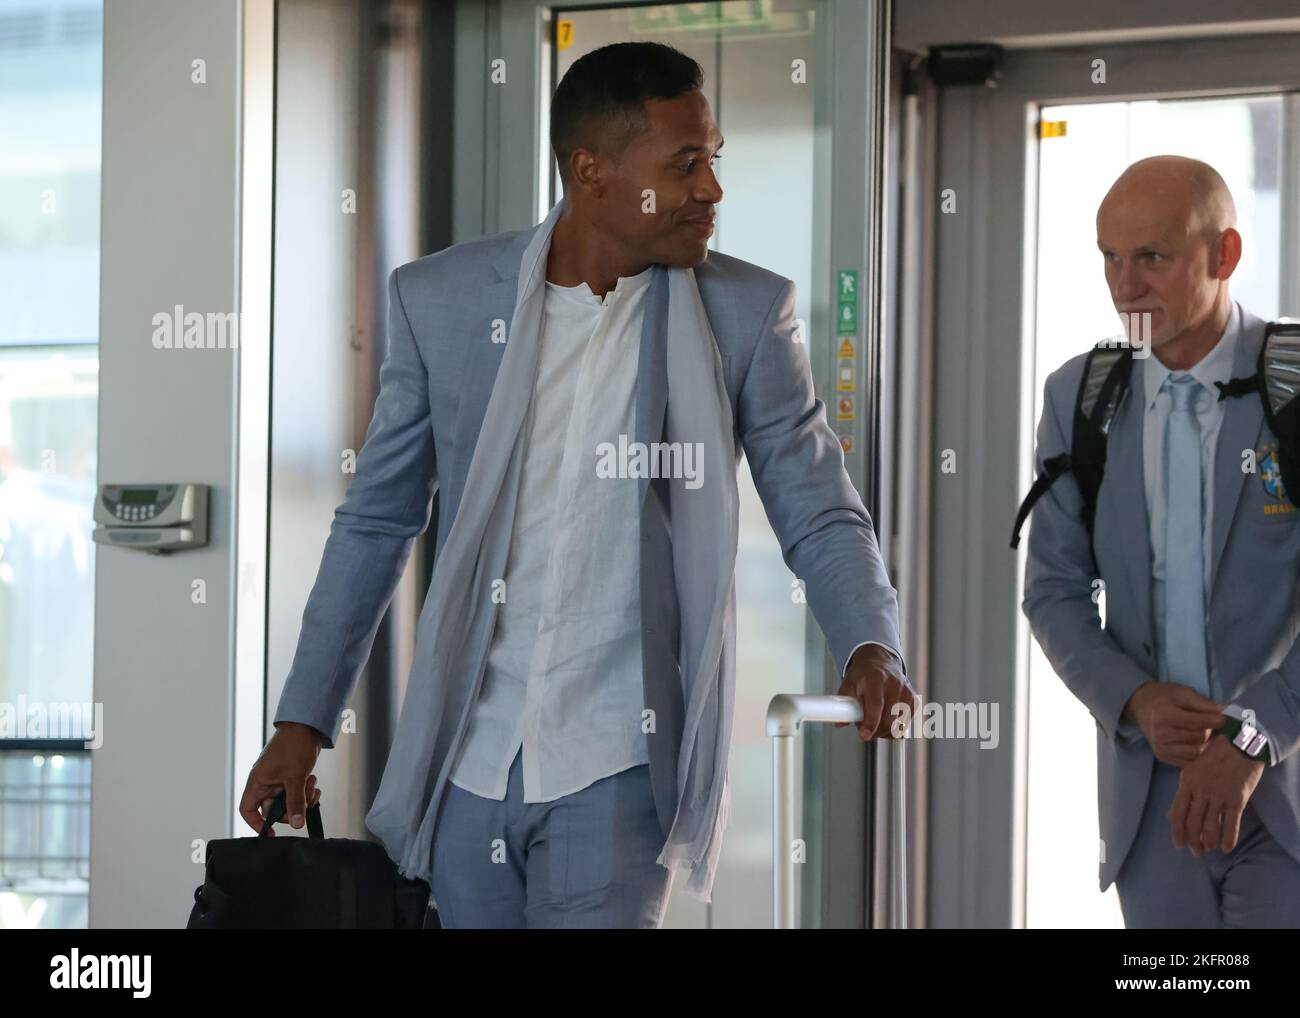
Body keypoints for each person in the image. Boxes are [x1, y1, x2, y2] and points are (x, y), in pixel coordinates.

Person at [240, 41, 911, 928]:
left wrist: (871, 644)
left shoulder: (745, 316)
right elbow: (375, 522)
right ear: (590, 171)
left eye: (712, 159)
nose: (710, 188)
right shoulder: (440, 304)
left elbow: (819, 507)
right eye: (685, 164)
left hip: (619, 765)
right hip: (465, 760)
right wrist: (301, 723)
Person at [1024, 154, 1300, 927]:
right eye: (1110, 256)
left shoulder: (1296, 386)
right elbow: (1051, 589)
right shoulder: (1078, 396)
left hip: (1285, 800)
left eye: (1152, 256)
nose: (1123, 284)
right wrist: (1133, 698)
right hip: (1151, 803)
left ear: (1225, 256)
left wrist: (1254, 736)